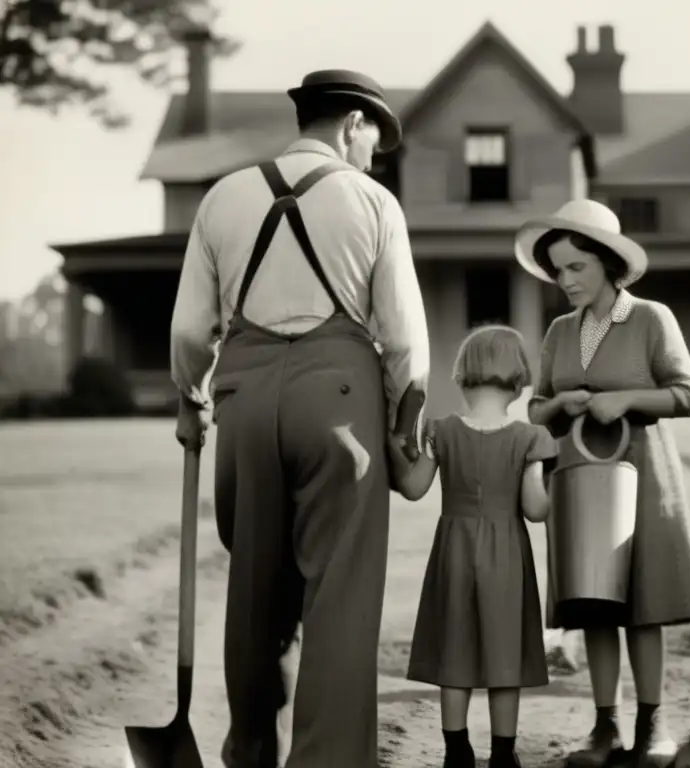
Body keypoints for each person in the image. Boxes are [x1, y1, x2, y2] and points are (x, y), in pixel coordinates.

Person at [169, 69, 430, 768]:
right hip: (341, 401)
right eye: (375, 140)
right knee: (340, 593)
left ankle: (250, 750)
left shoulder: (223, 196)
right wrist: (407, 431)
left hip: (245, 402)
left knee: (255, 583)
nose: (375, 156)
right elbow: (405, 340)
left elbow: (192, 331)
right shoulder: (372, 201)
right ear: (352, 124)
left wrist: (190, 397)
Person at [514, 199, 690, 767]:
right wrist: (561, 404)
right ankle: (605, 727)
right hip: (575, 476)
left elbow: (689, 395)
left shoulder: (651, 318)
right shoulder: (557, 330)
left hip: (641, 475)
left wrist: (625, 398)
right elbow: (535, 409)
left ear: (606, 262)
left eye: (576, 267)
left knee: (641, 602)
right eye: (558, 270)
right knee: (593, 602)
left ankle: (653, 723)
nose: (566, 280)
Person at [388, 325, 559, 768]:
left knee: (455, 652)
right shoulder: (530, 438)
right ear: (519, 380)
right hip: (506, 555)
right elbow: (536, 509)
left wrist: (393, 450)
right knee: (506, 655)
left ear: (461, 376)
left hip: (454, 552)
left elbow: (412, 488)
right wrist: (557, 488)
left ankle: (456, 751)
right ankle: (503, 753)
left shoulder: (441, 431)